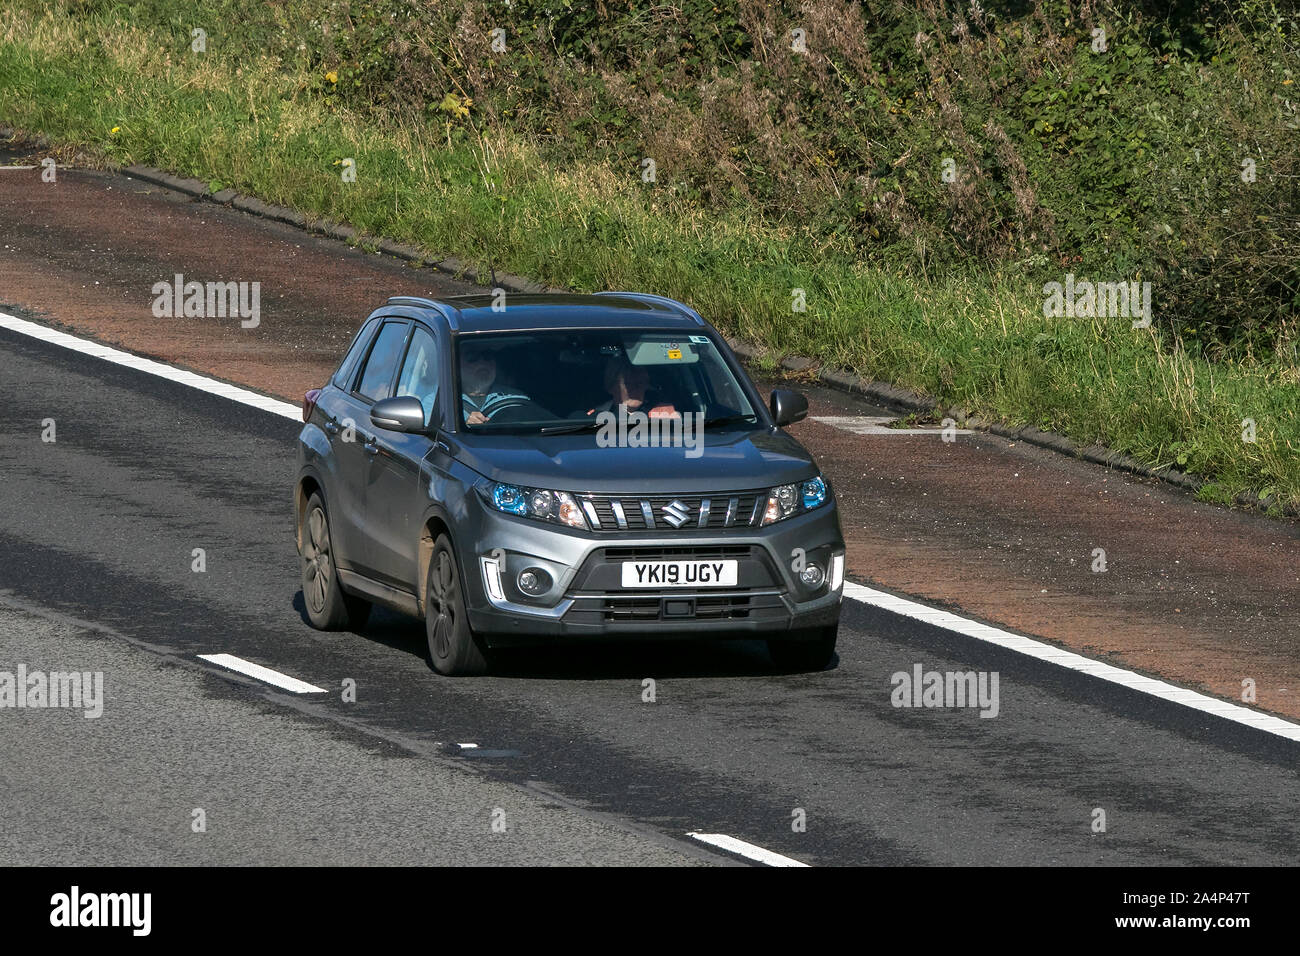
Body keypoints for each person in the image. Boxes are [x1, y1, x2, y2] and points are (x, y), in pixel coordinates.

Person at [578, 356, 679, 420]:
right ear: (611, 387)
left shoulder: (663, 412)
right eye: (629, 384)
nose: (636, 389)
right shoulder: (594, 417)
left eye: (641, 383)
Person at [460, 345, 532, 424]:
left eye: (488, 356)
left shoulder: (517, 397)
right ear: (457, 366)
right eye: (472, 357)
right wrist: (463, 425)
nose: (482, 362)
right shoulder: (447, 402)